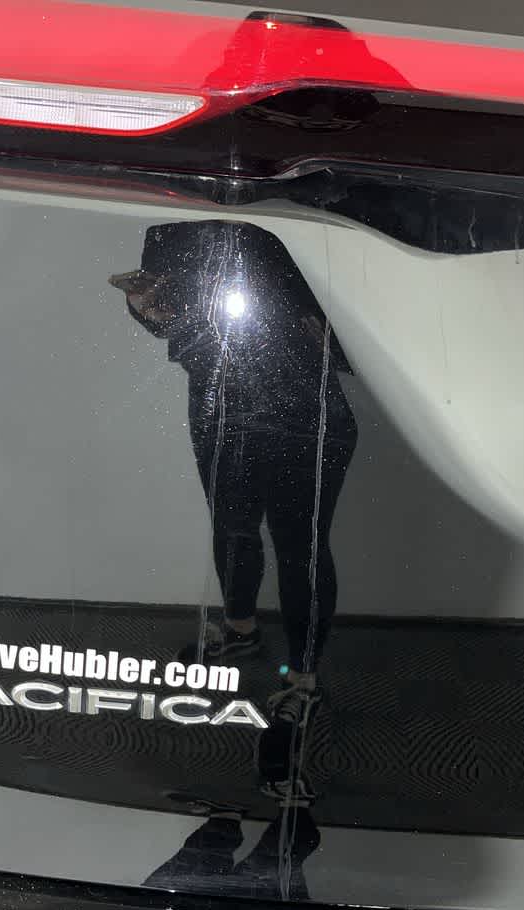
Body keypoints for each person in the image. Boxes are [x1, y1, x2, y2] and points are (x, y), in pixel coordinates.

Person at [111, 220, 357, 716]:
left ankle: (304, 679)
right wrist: (145, 307)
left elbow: (344, 312)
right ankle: (240, 630)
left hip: (300, 400)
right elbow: (168, 322)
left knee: (299, 545)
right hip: (218, 398)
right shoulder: (172, 225)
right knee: (232, 525)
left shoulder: (294, 216)